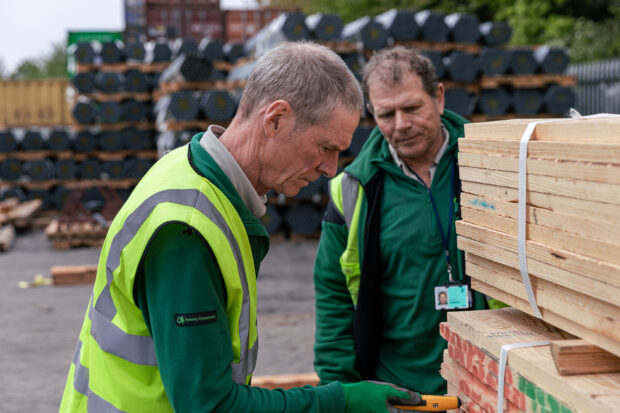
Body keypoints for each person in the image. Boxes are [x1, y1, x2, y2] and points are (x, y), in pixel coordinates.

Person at [59, 42, 423, 413]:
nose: (331, 168)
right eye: (325, 147)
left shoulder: (192, 173)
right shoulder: (185, 229)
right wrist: (340, 402)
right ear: (276, 119)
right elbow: (210, 406)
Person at [313, 46, 486, 396]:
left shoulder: (491, 169)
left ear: (438, 98)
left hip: (490, 382)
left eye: (412, 108)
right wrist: (342, 392)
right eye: (386, 114)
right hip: (397, 391)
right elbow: (333, 298)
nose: (402, 124)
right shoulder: (352, 191)